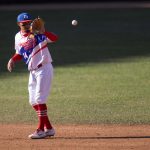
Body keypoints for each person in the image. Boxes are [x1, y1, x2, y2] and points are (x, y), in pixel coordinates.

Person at [7, 12, 58, 139]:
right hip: (33, 72)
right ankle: (49, 128)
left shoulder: (38, 34)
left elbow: (55, 38)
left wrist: (43, 32)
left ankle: (40, 130)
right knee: (33, 101)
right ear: (19, 24)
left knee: (40, 99)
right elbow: (20, 52)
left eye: (29, 22)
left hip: (44, 68)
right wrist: (12, 59)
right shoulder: (17, 37)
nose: (27, 25)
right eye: (24, 23)